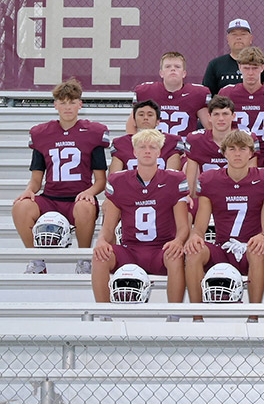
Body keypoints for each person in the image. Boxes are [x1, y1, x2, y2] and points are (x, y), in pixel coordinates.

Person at [13, 79, 110, 274]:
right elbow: (36, 180)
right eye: (63, 102)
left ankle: (83, 258)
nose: (68, 107)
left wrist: (89, 192)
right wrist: (28, 191)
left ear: (80, 104)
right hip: (50, 199)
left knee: (85, 205)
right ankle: (37, 260)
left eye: (72, 102)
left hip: (77, 199)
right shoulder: (42, 133)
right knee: (20, 206)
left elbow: (101, 181)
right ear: (55, 105)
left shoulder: (93, 132)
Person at [91, 129, 188, 303]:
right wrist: (102, 241)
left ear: (159, 152)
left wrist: (178, 241)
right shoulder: (118, 181)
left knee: (175, 255)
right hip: (130, 250)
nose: (147, 151)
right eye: (142, 147)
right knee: (100, 256)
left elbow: (183, 226)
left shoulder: (174, 179)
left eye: (152, 147)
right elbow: (108, 226)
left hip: (161, 250)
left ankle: (174, 315)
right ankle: (104, 314)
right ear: (134, 152)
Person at [184, 130, 264, 307]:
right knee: (194, 251)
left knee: (256, 249)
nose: (237, 153)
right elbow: (200, 227)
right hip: (223, 248)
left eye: (243, 149)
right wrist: (196, 236)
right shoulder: (210, 179)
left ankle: (254, 314)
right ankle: (197, 315)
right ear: (224, 152)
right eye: (232, 149)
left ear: (251, 153)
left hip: (251, 249)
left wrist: (262, 237)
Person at [219, 46, 264, 162]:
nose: (250, 73)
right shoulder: (228, 93)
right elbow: (221, 128)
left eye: (254, 68)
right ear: (239, 67)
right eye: (246, 68)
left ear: (262, 67)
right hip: (237, 151)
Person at [184, 95, 251, 199]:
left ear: (233, 116)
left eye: (225, 114)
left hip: (237, 194)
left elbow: (251, 174)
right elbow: (191, 179)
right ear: (209, 117)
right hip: (206, 194)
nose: (221, 119)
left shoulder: (246, 139)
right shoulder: (196, 140)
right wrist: (189, 198)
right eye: (216, 114)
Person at [130, 51, 210, 137]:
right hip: (155, 147)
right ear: (161, 73)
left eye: (177, 66)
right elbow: (131, 124)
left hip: (184, 148)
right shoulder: (146, 91)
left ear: (184, 73)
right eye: (168, 66)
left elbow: (210, 127)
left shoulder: (196, 94)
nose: (173, 69)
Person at [202, 18, 264, 94]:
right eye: (234, 34)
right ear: (228, 39)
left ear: (251, 38)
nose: (238, 38)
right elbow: (207, 96)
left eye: (243, 34)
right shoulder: (215, 65)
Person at [110, 100, 184, 173]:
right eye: (141, 115)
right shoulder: (120, 143)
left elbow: (173, 177)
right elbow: (114, 178)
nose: (145, 118)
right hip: (129, 185)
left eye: (150, 115)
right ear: (134, 121)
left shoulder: (171, 142)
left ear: (158, 121)